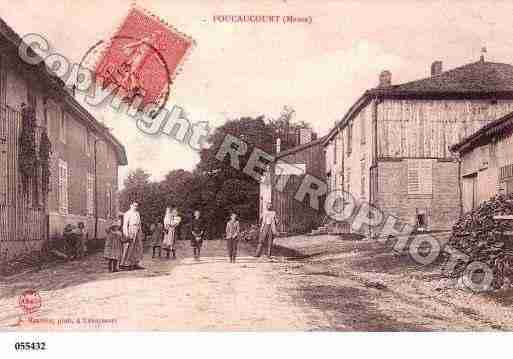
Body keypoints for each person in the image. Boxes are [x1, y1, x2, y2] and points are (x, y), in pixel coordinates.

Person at [121, 202, 145, 270]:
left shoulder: (137, 213)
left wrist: (140, 232)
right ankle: (125, 264)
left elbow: (139, 224)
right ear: (131, 205)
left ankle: (135, 263)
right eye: (134, 205)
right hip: (131, 229)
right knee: (129, 247)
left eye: (137, 206)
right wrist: (126, 234)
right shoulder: (127, 213)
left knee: (138, 247)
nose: (136, 207)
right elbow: (125, 224)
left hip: (137, 230)